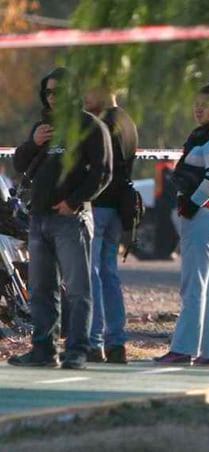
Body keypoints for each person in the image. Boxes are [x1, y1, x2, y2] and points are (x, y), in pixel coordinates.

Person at [9, 68, 113, 369]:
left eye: (59, 92)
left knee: (78, 289)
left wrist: (74, 201)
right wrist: (33, 144)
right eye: (49, 93)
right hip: (39, 220)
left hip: (71, 220)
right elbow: (20, 162)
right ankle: (44, 350)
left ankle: (77, 350)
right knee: (41, 289)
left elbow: (102, 173)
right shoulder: (44, 127)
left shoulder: (90, 127)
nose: (53, 98)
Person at [154, 83, 209, 367]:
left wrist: (191, 204)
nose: (198, 109)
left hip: (204, 217)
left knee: (194, 286)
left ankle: (183, 349)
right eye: (196, 103)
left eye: (205, 104)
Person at [83, 85, 139, 364]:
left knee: (91, 274)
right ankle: (116, 341)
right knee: (108, 274)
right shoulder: (127, 121)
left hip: (99, 205)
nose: (85, 98)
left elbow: (101, 168)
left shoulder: (103, 124)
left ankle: (93, 341)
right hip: (118, 208)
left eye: (89, 93)